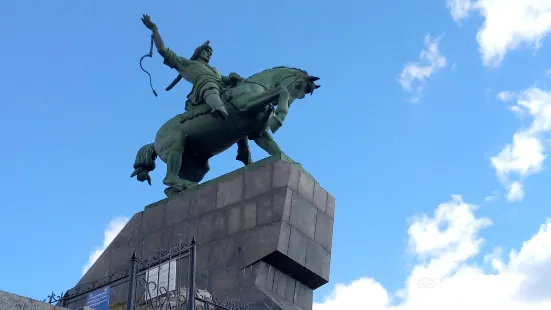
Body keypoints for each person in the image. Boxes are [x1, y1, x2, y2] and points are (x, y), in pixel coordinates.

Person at [141, 14, 242, 119]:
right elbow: (163, 50)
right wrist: (154, 29)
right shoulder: (188, 64)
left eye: (210, 53)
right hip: (205, 86)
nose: (209, 54)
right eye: (206, 51)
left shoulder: (215, 70)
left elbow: (223, 79)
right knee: (209, 85)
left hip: (221, 87)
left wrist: (231, 78)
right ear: (198, 52)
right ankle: (218, 108)